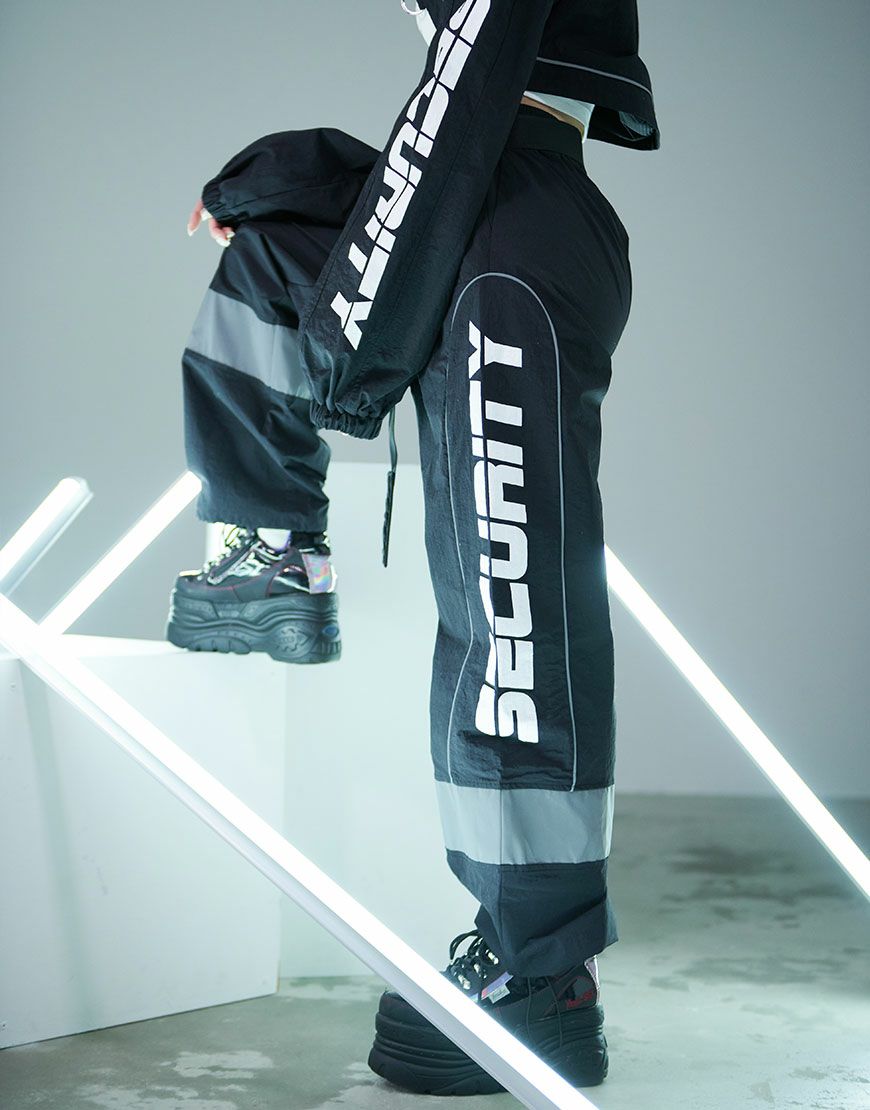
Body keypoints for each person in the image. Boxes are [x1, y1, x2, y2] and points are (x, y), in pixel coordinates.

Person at [167, 0, 660, 1094]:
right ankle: (275, 554)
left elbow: (466, 104)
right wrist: (279, 187)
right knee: (270, 263)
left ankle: (545, 977)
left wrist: (359, 331)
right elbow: (446, 129)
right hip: (486, 202)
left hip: (508, 233)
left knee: (511, 607)